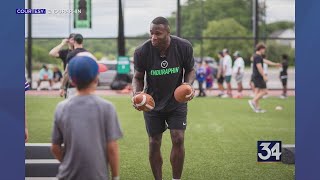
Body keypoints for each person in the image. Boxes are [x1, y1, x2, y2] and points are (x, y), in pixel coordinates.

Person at [132, 17, 195, 180]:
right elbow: (137, 77)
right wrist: (137, 94)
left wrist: (188, 84)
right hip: (152, 103)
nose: (153, 37)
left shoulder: (183, 46)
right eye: (151, 33)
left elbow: (190, 70)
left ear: (168, 32)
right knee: (154, 142)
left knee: (178, 138)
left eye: (158, 33)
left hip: (176, 101)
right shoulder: (142, 51)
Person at [51, 55, 122, 180]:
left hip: (66, 175)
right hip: (97, 175)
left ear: (72, 81)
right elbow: (112, 148)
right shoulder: (107, 107)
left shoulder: (61, 107)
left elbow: (55, 147)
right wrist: (115, 176)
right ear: (96, 77)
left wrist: (67, 163)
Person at [60, 34, 88, 98]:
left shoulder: (71, 54)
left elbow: (66, 72)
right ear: (82, 41)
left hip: (73, 86)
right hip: (85, 87)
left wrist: (62, 87)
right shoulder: (87, 53)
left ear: (74, 42)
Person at [248, 43, 268, 113]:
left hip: (255, 76)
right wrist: (264, 75)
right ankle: (253, 101)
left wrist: (275, 64)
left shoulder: (256, 56)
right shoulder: (258, 57)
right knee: (265, 91)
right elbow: (259, 67)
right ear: (261, 49)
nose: (264, 51)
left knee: (257, 92)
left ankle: (257, 108)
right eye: (264, 49)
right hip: (258, 77)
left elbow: (266, 61)